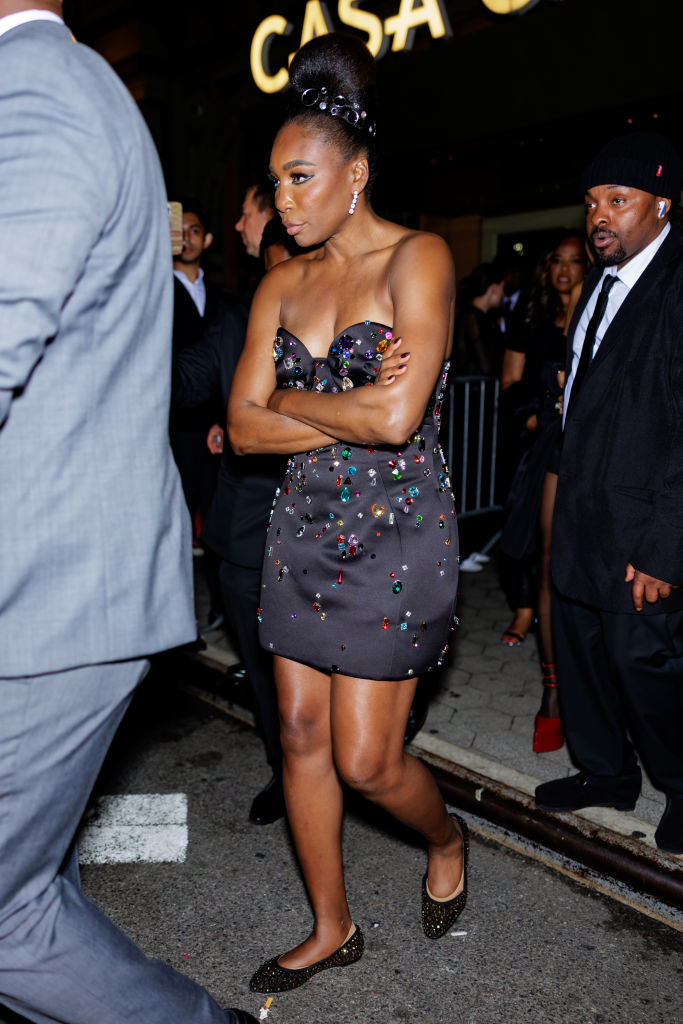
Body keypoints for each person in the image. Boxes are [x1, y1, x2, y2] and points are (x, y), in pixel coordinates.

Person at [0, 5, 256, 1022]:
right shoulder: (60, 88)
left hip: (53, 589)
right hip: (54, 579)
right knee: (29, 894)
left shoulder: (38, 89)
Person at [228, 33, 466, 994]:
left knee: (368, 762)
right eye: (274, 182)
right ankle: (331, 925)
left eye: (299, 178)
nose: (282, 199)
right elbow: (240, 433)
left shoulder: (421, 256)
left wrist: (287, 402)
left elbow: (399, 417)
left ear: (353, 174)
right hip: (300, 533)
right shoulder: (280, 283)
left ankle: (446, 839)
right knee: (295, 736)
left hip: (396, 537)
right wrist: (340, 413)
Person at [535, 132, 683, 856]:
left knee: (643, 664)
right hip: (584, 512)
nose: (599, 216)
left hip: (643, 528)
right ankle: (603, 772)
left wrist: (665, 546)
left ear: (661, 203)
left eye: (617, 202)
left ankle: (682, 786)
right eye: (592, 202)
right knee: (584, 650)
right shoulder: (600, 282)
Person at [173, 183, 295, 827]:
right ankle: (288, 771)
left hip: (332, 527)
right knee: (262, 667)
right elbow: (189, 377)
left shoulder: (344, 300)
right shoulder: (232, 316)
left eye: (247, 211)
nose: (238, 223)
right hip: (244, 530)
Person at [499, 232, 587, 750]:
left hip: (594, 453)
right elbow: (508, 381)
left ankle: (587, 683)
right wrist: (531, 416)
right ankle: (552, 687)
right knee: (541, 550)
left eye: (576, 261)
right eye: (557, 260)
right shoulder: (529, 319)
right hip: (540, 446)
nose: (564, 269)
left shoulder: (602, 311)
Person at [170, 199, 224, 632]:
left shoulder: (223, 296)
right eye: (180, 230)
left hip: (214, 429)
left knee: (218, 520)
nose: (187, 236)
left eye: (195, 229)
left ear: (206, 239)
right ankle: (176, 622)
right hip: (171, 428)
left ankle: (222, 610)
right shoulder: (155, 290)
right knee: (173, 527)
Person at [452, 262, 505, 376]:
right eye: (503, 288)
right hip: (471, 389)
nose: (504, 294)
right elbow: (486, 366)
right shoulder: (472, 317)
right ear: (493, 288)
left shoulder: (480, 317)